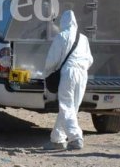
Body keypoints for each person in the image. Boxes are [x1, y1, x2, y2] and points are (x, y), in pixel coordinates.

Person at [43, 10, 93, 150]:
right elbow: (89, 59)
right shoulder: (84, 38)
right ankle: (57, 139)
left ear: (63, 22)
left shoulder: (62, 36)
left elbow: (52, 60)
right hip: (83, 74)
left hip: (69, 73)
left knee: (66, 106)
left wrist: (46, 73)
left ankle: (76, 137)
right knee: (72, 107)